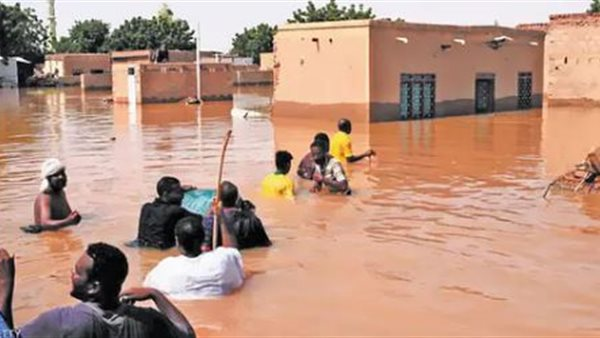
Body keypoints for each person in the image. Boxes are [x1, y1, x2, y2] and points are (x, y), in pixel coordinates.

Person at [0, 243, 195, 338]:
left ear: (94, 287)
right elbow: (187, 334)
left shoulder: (64, 321)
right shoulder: (147, 321)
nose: (71, 274)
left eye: (77, 272)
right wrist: (155, 294)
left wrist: (5, 285)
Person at [143, 216, 244, 299]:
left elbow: (147, 288)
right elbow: (232, 251)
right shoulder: (222, 260)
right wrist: (221, 217)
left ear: (177, 242)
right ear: (204, 238)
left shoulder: (165, 268)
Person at [129, 176, 199, 250]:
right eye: (178, 192)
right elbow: (200, 220)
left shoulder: (146, 207)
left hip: (139, 246)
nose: (182, 195)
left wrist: (181, 191)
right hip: (161, 250)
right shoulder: (175, 211)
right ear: (165, 194)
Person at [202, 181, 271, 251]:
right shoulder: (253, 219)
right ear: (236, 199)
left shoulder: (212, 221)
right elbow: (266, 245)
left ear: (218, 200)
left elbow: (206, 248)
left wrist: (209, 213)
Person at [23, 158, 81, 234]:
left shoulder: (61, 192)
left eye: (62, 173)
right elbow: (45, 223)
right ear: (48, 179)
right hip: (47, 236)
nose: (61, 177)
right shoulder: (45, 197)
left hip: (60, 233)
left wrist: (73, 218)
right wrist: (69, 221)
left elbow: (68, 215)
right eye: (56, 175)